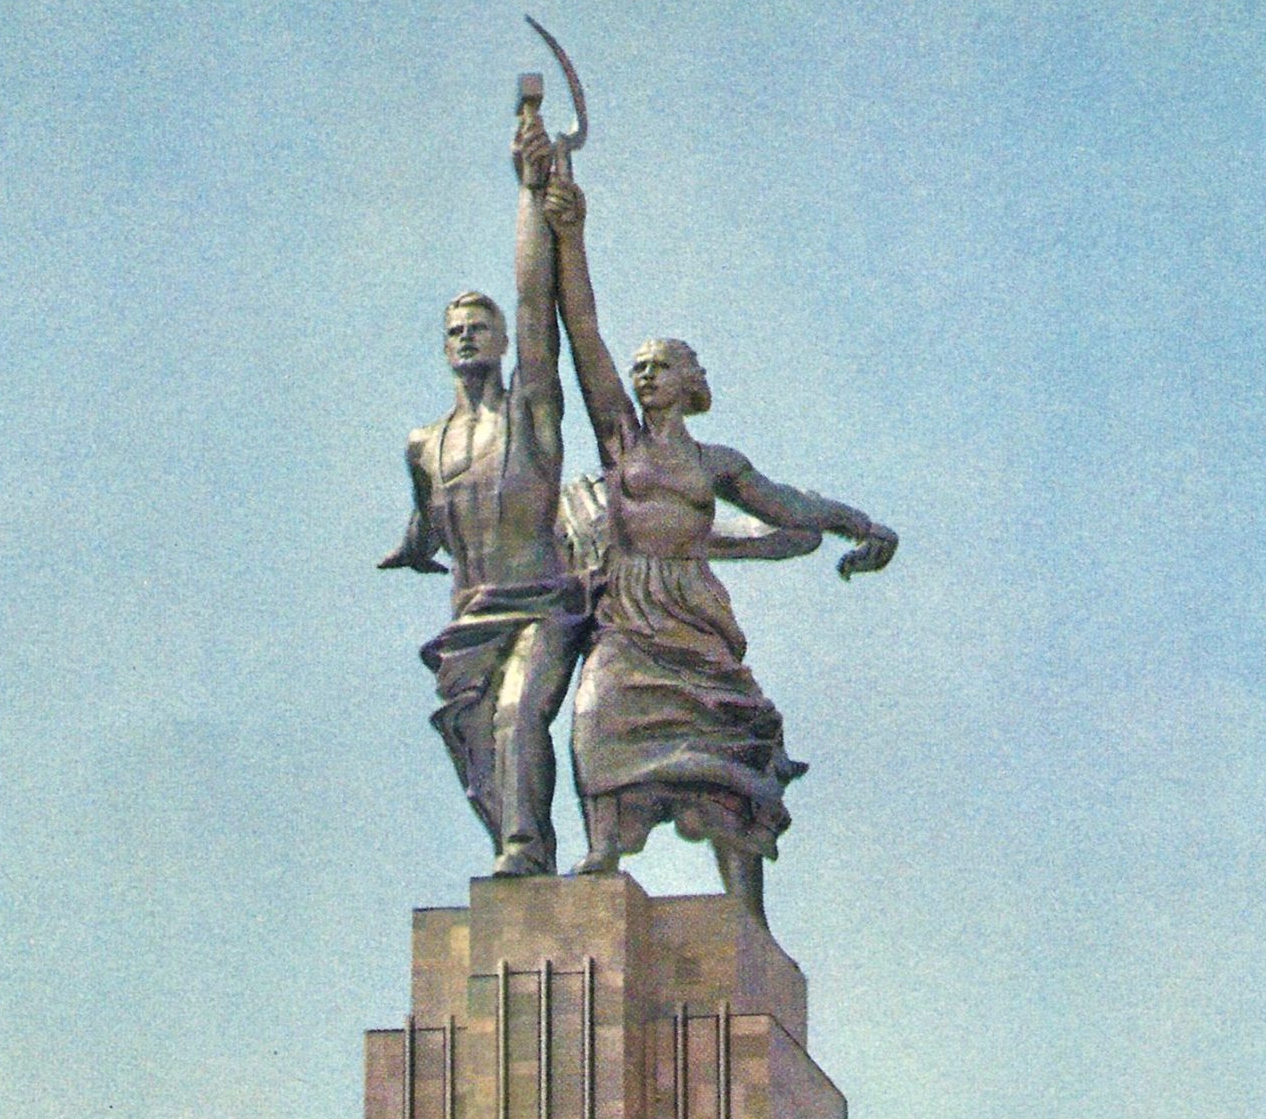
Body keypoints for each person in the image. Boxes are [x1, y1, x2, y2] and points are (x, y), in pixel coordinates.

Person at [541, 163, 895, 927]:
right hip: (629, 611)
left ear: (692, 381)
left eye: (661, 363)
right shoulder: (621, 439)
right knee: (597, 713)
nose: (643, 372)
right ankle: (602, 847)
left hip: (693, 614)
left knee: (727, 748)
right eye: (640, 367)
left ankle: (746, 913)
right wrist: (571, 236)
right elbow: (585, 332)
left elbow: (789, 506)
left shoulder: (715, 464)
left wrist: (859, 524)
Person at [382, 104, 588, 879]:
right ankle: (519, 851)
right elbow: (425, 516)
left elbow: (538, 302)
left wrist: (531, 191)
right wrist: (409, 548)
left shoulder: (530, 411)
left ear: (503, 343)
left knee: (515, 718)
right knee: (470, 741)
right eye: (454, 330)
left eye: (480, 326)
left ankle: (525, 850)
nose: (466, 336)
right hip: (469, 618)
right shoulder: (424, 443)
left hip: (542, 603)